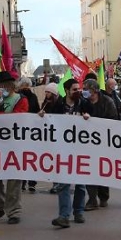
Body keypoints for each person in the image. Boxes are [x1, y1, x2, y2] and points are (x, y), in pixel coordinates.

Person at [45, 78, 91, 228]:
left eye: (79, 89)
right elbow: (48, 122)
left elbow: (95, 122)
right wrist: (41, 117)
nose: (78, 92)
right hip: (62, 150)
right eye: (74, 89)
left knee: (80, 184)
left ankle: (78, 211)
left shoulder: (84, 104)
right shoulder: (57, 105)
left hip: (81, 149)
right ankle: (64, 216)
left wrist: (88, 119)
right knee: (63, 182)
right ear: (66, 91)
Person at [0, 71, 29, 224]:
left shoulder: (21, 100)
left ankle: (14, 211)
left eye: (5, 85)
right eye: (0, 85)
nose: (2, 87)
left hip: (15, 144)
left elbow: (17, 118)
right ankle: (2, 204)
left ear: (11, 85)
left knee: (14, 179)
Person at [82, 78, 118, 210]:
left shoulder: (107, 102)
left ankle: (104, 197)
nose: (85, 92)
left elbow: (114, 120)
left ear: (94, 90)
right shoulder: (83, 102)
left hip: (104, 142)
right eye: (84, 89)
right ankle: (92, 199)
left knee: (102, 170)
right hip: (87, 143)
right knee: (89, 170)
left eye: (87, 89)